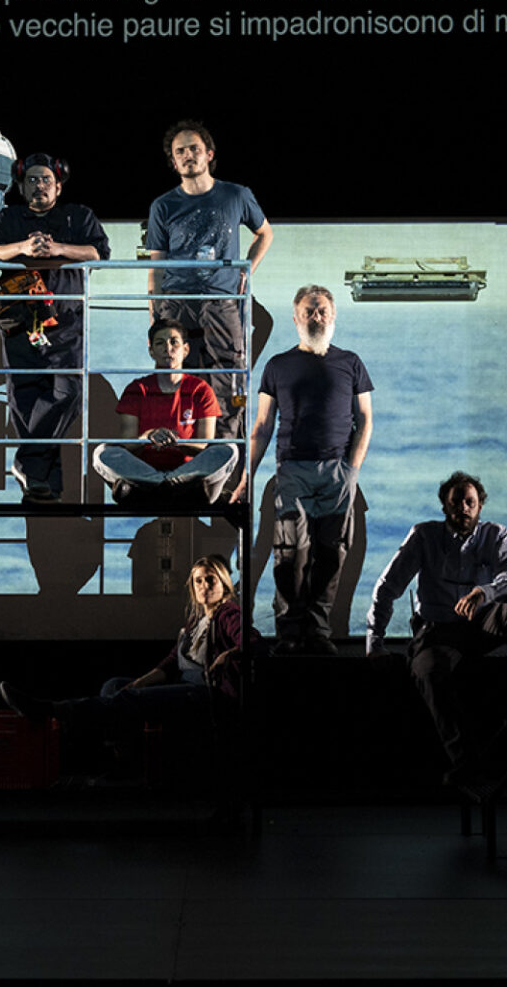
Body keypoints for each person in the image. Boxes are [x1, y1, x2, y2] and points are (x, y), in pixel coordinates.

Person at [367, 471, 507, 786]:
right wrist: (375, 643)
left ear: (480, 506)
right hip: (437, 631)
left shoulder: (496, 534)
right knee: (427, 671)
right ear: (444, 506)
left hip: (481, 626)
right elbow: (387, 587)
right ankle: (465, 761)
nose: (463, 507)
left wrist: (483, 593)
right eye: (456, 502)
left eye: (470, 502)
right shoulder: (424, 536)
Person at [230, 285, 372, 654]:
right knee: (289, 553)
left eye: (322, 310)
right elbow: (262, 426)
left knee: (331, 554)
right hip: (292, 470)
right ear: (296, 318)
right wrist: (246, 479)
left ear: (333, 315)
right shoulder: (278, 365)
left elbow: (365, 419)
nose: (316, 317)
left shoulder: (351, 363)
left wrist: (351, 470)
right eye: (309, 311)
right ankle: (289, 633)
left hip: (338, 472)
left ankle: (318, 632)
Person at [0, 152, 111, 502]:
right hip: (19, 320)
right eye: (32, 180)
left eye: (46, 180)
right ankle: (42, 485)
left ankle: (27, 461)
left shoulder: (79, 216)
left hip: (66, 321)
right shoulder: (8, 217)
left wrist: (57, 248)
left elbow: (99, 253)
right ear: (22, 186)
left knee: (68, 393)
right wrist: (24, 247)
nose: (39, 186)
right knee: (24, 399)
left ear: (58, 186)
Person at [0, 554, 246, 733]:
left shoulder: (229, 614)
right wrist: (138, 683)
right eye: (198, 581)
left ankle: (51, 711)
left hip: (208, 693)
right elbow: (171, 663)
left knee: (128, 700)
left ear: (223, 582)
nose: (204, 586)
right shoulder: (195, 622)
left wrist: (228, 655)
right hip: (183, 684)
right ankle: (122, 757)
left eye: (210, 580)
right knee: (115, 686)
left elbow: (252, 643)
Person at [146, 120, 273, 442]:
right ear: (173, 161)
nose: (188, 155)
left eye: (194, 149)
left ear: (209, 154)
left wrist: (246, 270)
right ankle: (185, 445)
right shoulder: (163, 205)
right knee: (178, 375)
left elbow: (264, 233)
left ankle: (226, 448)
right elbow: (157, 266)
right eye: (180, 151)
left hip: (221, 300)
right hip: (178, 301)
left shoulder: (236, 195)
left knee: (229, 375)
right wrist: (154, 312)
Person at [91, 318, 240, 505]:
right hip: (145, 474)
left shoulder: (200, 390)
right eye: (160, 343)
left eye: (174, 342)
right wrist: (147, 437)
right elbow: (129, 445)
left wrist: (177, 443)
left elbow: (204, 445)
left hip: (187, 475)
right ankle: (164, 485)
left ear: (185, 349)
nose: (168, 348)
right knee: (101, 453)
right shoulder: (137, 389)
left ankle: (164, 486)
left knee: (229, 450)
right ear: (151, 351)